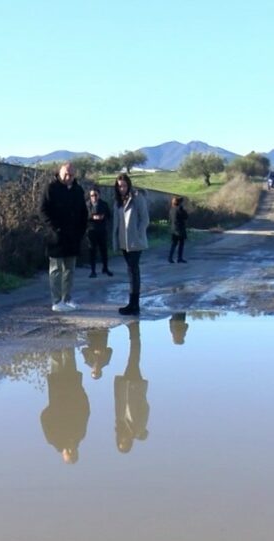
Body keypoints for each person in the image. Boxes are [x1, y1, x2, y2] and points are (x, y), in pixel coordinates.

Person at [39, 162, 88, 312]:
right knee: (56, 269)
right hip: (55, 237)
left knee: (70, 269)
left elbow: (83, 213)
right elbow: (42, 211)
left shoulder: (78, 190)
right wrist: (54, 228)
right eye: (66, 174)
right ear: (60, 173)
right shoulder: (51, 188)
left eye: (71, 175)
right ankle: (56, 300)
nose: (68, 177)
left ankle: (67, 298)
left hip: (73, 237)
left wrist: (81, 231)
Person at [40, 347, 90, 464]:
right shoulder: (80, 434)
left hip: (57, 390)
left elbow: (43, 418)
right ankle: (69, 333)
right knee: (69, 356)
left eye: (69, 454)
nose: (71, 450)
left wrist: (52, 408)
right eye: (74, 453)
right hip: (72, 386)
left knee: (55, 358)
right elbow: (85, 411)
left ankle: (53, 336)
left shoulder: (53, 439)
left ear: (63, 454)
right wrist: (81, 391)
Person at [111, 173, 150, 315]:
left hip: (135, 241)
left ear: (129, 185)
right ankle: (133, 304)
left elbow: (145, 219)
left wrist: (138, 234)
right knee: (130, 271)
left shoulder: (137, 198)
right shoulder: (117, 202)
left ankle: (134, 305)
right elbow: (117, 223)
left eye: (124, 185)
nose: (121, 188)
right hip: (124, 241)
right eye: (119, 186)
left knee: (133, 271)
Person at [114, 321, 149, 453]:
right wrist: (140, 392)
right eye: (125, 442)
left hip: (125, 388)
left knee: (133, 359)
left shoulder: (120, 425)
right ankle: (134, 333)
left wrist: (118, 386)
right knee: (134, 359)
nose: (124, 439)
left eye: (121, 441)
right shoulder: (138, 427)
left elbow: (118, 405)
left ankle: (134, 333)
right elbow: (145, 408)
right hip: (135, 387)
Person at [85, 187, 113, 278]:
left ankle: (105, 268)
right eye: (92, 195)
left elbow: (109, 216)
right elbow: (83, 217)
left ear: (99, 195)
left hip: (102, 230)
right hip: (91, 231)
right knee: (92, 250)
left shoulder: (104, 204)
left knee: (104, 250)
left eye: (95, 195)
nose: (94, 197)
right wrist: (92, 217)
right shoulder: (87, 205)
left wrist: (103, 217)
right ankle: (93, 271)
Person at [169, 196, 188, 263]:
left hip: (173, 228)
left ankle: (170, 258)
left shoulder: (172, 209)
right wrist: (183, 209)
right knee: (181, 244)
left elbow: (170, 219)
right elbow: (186, 216)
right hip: (180, 228)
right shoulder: (180, 209)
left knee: (173, 244)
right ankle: (179, 258)